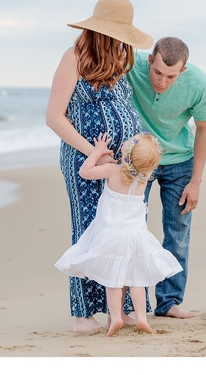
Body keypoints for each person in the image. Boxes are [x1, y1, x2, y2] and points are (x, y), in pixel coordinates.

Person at [46, 0, 154, 333]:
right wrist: (95, 150)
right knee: (90, 233)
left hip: (121, 164)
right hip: (86, 159)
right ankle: (83, 316)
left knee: (124, 234)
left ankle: (121, 312)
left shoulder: (120, 59)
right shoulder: (73, 57)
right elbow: (54, 117)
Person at [55, 132, 182, 337]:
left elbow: (85, 172)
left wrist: (96, 152)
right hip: (136, 236)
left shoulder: (113, 171)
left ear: (126, 155)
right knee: (137, 280)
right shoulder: (144, 177)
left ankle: (116, 318)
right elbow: (141, 162)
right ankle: (141, 317)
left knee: (113, 281)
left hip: (111, 235)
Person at [126, 37, 206, 319]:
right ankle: (130, 305)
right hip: (141, 159)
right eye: (158, 72)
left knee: (178, 233)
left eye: (171, 76)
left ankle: (169, 302)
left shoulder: (198, 82)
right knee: (131, 230)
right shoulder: (132, 65)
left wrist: (196, 180)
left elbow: (203, 128)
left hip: (180, 161)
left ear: (183, 70)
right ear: (149, 61)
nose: (162, 81)